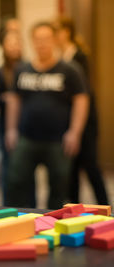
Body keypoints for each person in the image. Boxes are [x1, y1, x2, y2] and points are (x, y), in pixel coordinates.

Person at [5, 22, 89, 209]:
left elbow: (81, 101)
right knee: (16, 182)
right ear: (32, 42)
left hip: (58, 141)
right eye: (37, 39)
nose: (42, 44)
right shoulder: (22, 69)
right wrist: (10, 130)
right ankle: (18, 224)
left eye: (46, 39)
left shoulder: (70, 70)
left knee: (59, 188)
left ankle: (53, 228)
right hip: (26, 138)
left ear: (54, 41)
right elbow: (14, 101)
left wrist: (75, 132)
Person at [55, 17, 109, 205]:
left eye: (58, 31)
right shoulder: (60, 57)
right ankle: (75, 207)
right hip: (68, 119)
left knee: (91, 165)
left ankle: (105, 205)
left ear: (67, 32)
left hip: (85, 120)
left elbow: (81, 92)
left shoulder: (79, 56)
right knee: (72, 169)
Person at [0, 30, 23, 205]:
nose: (13, 47)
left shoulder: (27, 67)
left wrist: (12, 97)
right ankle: (8, 203)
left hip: (25, 124)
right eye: (9, 43)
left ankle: (29, 204)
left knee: (25, 167)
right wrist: (12, 98)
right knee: (7, 166)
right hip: (4, 122)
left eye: (16, 42)